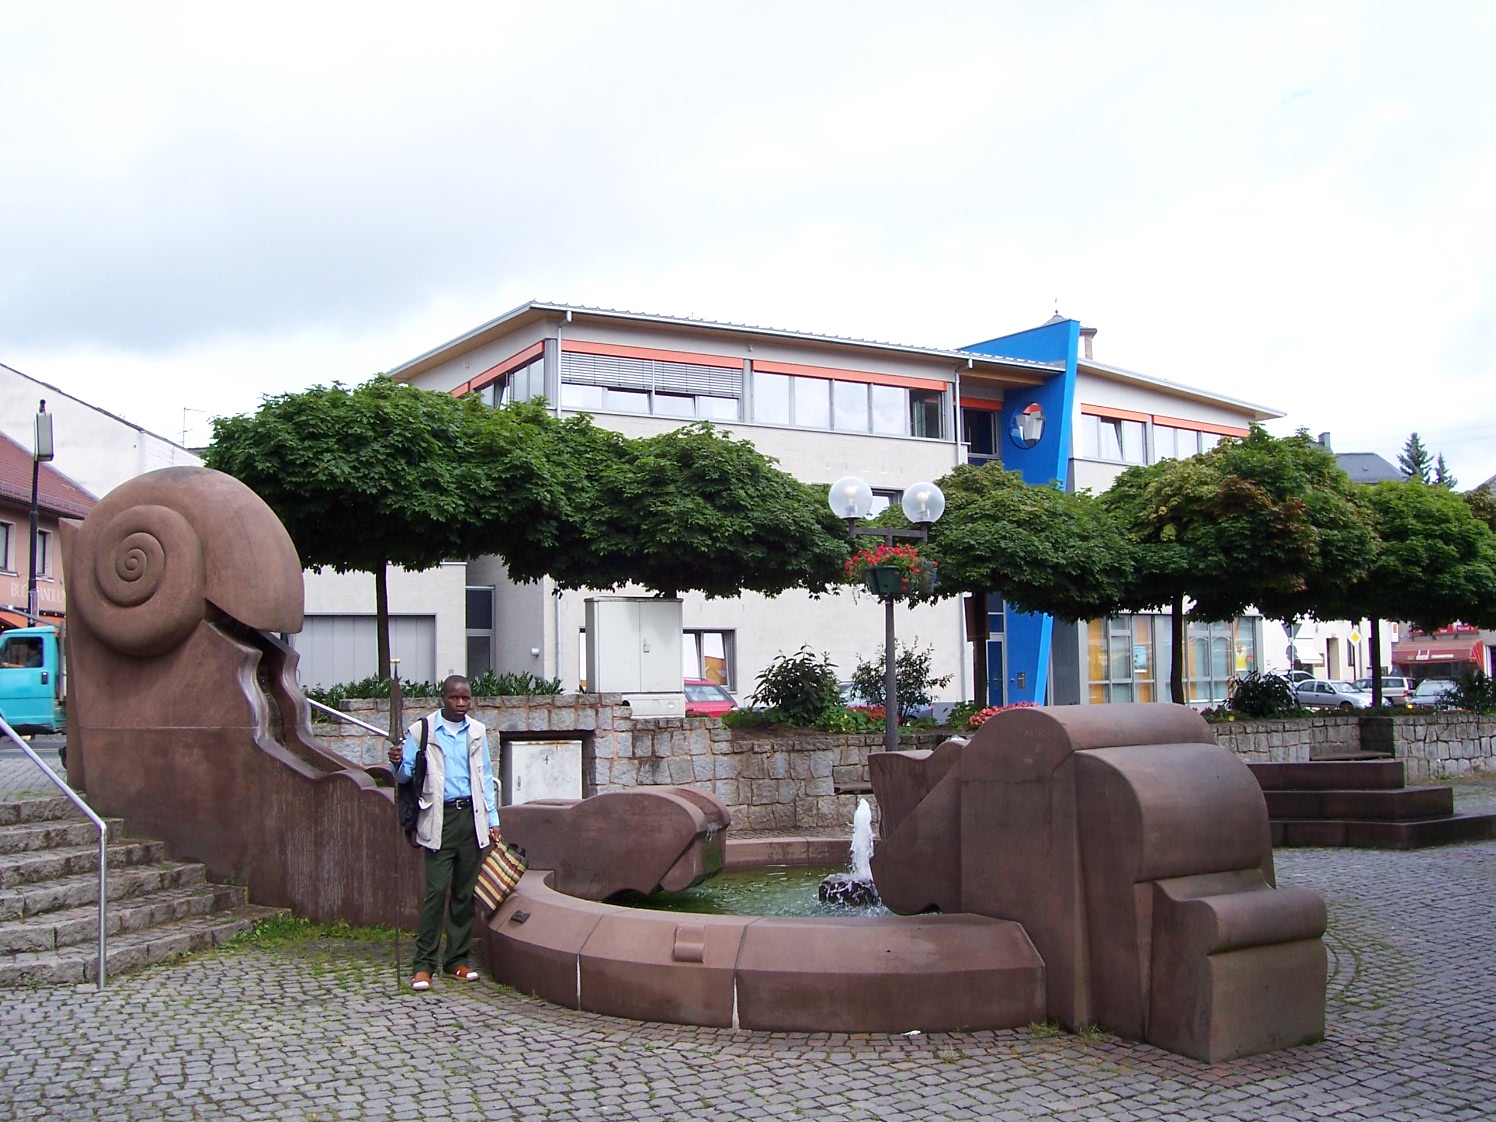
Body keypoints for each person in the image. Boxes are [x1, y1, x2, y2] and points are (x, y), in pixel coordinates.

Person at [387, 674, 501, 991]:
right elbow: (406, 775)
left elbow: (485, 777)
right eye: (455, 698)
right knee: (436, 892)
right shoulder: (422, 730)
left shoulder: (477, 731)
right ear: (443, 698)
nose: (461, 703)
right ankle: (424, 964)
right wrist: (396, 762)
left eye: (466, 697)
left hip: (472, 817)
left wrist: (493, 819)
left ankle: (456, 960)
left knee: (464, 893)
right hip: (439, 816)